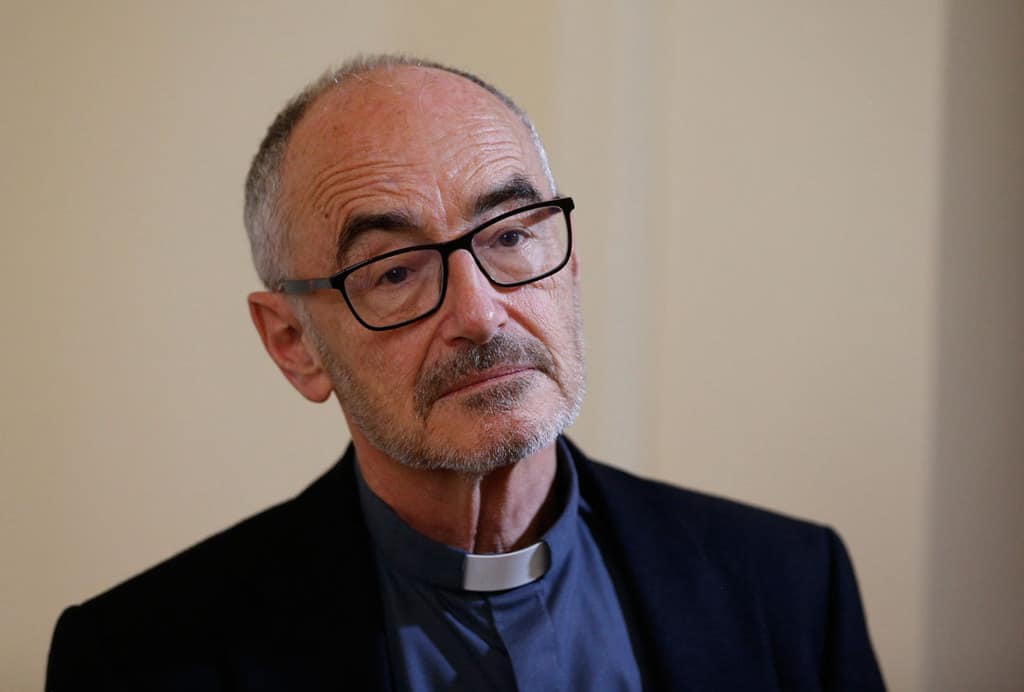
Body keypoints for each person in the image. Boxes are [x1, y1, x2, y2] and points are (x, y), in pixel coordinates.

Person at [46, 55, 885, 691]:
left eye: (512, 234)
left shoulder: (788, 589)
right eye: (396, 270)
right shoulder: (140, 656)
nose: (480, 314)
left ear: (570, 262)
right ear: (293, 343)